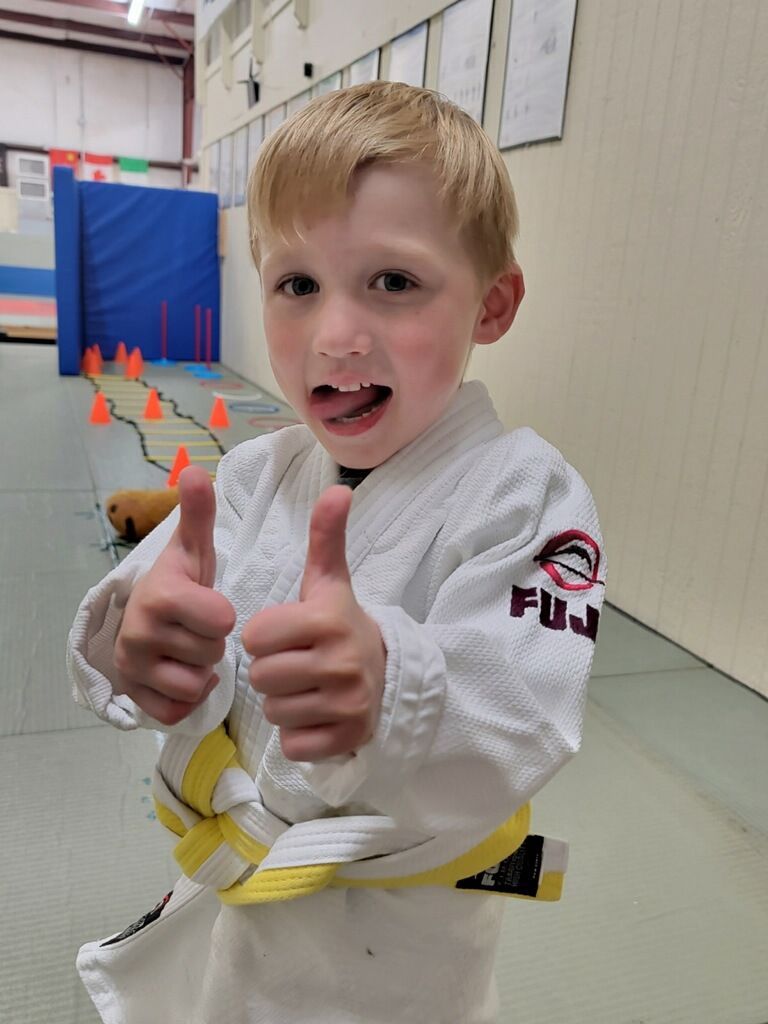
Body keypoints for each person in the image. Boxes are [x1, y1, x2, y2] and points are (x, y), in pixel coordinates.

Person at [67, 81, 607, 1024]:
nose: (336, 336)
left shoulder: (528, 497)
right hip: (234, 918)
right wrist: (141, 645)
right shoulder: (257, 475)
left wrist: (394, 688)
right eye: (298, 285)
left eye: (393, 282)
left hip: (396, 961)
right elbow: (160, 600)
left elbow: (527, 709)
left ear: (493, 303)